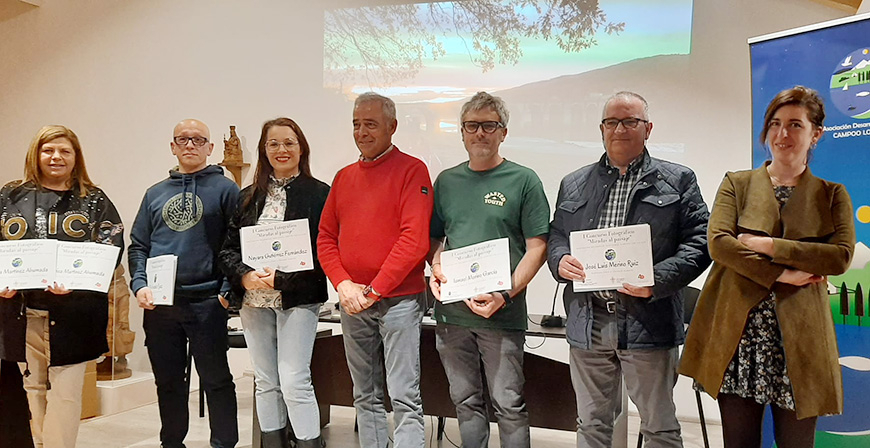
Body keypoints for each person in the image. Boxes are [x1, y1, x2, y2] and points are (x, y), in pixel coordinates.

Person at [679, 86, 855, 448]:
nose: (782, 134)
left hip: (801, 344)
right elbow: (719, 244)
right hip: (739, 341)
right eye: (775, 123)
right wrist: (782, 272)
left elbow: (839, 257)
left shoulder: (831, 194)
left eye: (794, 125)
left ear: (815, 134)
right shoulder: (737, 184)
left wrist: (768, 245)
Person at [547, 91, 710, 448]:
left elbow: (701, 243)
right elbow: (557, 234)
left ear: (647, 129)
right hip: (588, 323)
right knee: (591, 425)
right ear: (601, 129)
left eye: (630, 121)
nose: (619, 129)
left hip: (646, 322)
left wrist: (656, 281)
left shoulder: (678, 179)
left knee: (659, 428)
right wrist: (559, 260)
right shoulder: (573, 182)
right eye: (611, 122)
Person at [428, 92, 549, 448]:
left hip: (501, 314)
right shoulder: (446, 181)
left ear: (503, 132)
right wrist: (436, 265)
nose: (480, 133)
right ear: (462, 133)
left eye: (489, 125)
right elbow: (435, 238)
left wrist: (504, 293)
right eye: (472, 126)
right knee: (465, 402)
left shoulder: (524, 180)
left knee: (508, 404)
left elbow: (537, 247)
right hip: (452, 315)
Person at [317, 92, 433, 448]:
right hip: (354, 303)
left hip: (398, 302)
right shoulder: (344, 177)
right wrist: (343, 285)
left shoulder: (413, 170)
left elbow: (414, 241)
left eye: (371, 124)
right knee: (363, 396)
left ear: (392, 127)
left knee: (404, 398)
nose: (362, 132)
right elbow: (325, 238)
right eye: (356, 124)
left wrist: (374, 290)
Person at [0, 125, 124, 448]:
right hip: (22, 314)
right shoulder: (10, 196)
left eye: (64, 151)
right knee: (33, 392)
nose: (56, 157)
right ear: (36, 154)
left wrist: (79, 285)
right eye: (48, 150)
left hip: (75, 316)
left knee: (66, 396)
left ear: (75, 157)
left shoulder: (94, 200)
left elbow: (111, 246)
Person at [219, 117, 330, 448]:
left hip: (299, 298)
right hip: (254, 300)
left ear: (301, 148)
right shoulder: (246, 198)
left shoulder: (320, 194)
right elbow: (226, 250)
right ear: (264, 150)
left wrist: (280, 279)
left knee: (295, 379)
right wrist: (245, 275)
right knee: (265, 381)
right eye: (273, 144)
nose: (281, 150)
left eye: (289, 143)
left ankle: (310, 443)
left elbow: (323, 252)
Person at [128, 119, 239, 448]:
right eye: (183, 139)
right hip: (160, 304)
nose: (190, 145)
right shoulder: (154, 194)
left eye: (198, 139)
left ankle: (223, 444)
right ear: (173, 146)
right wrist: (139, 283)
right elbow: (138, 246)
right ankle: (172, 443)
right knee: (168, 383)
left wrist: (225, 293)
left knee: (216, 380)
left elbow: (237, 243)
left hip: (207, 302)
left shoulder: (226, 190)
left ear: (210, 147)